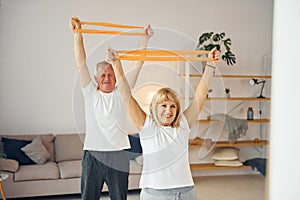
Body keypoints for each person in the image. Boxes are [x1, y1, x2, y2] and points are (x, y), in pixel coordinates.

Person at [106, 47, 220, 200]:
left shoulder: (183, 125)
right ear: (155, 107)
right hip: (155, 194)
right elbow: (127, 97)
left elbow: (200, 96)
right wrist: (116, 65)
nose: (168, 111)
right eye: (164, 106)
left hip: (186, 192)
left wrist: (211, 65)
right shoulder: (146, 125)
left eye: (173, 106)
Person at [69, 17, 153, 200]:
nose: (107, 78)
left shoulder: (121, 92)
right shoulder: (90, 93)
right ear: (96, 78)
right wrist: (78, 34)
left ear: (116, 77)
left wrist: (145, 39)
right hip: (92, 154)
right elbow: (80, 62)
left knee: (119, 197)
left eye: (110, 75)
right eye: (103, 75)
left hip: (118, 155)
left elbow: (137, 64)